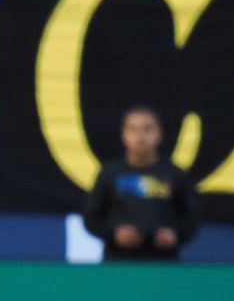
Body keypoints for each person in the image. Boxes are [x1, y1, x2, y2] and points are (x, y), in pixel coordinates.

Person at [83, 105, 199, 261]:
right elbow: (91, 218)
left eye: (148, 129)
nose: (141, 136)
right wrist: (114, 234)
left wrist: (175, 235)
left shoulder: (175, 174)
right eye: (133, 129)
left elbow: (191, 218)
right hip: (118, 261)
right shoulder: (109, 173)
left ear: (159, 134)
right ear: (124, 134)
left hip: (163, 263)